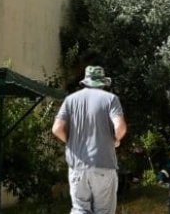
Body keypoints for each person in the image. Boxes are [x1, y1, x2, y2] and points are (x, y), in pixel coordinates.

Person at [51, 65, 127, 214]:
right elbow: (120, 127)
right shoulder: (110, 99)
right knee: (103, 211)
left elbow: (56, 129)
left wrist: (72, 142)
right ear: (103, 83)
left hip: (77, 166)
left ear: (85, 81)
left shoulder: (70, 100)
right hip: (103, 164)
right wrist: (115, 139)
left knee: (80, 209)